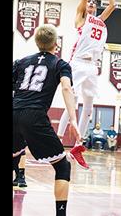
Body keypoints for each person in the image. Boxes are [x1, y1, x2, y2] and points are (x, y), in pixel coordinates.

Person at [13, 24, 82, 216]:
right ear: (56, 44)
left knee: (14, 157)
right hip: (34, 115)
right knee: (62, 165)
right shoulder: (60, 64)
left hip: (14, 110)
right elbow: (67, 89)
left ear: (36, 42)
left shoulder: (21, 62)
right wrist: (74, 121)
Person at [56, 0, 116, 168]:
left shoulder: (100, 20)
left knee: (88, 107)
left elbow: (113, 5)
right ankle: (59, 139)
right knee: (72, 103)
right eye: (89, 1)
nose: (91, 3)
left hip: (93, 67)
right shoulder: (82, 18)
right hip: (78, 64)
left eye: (93, 2)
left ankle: (77, 145)